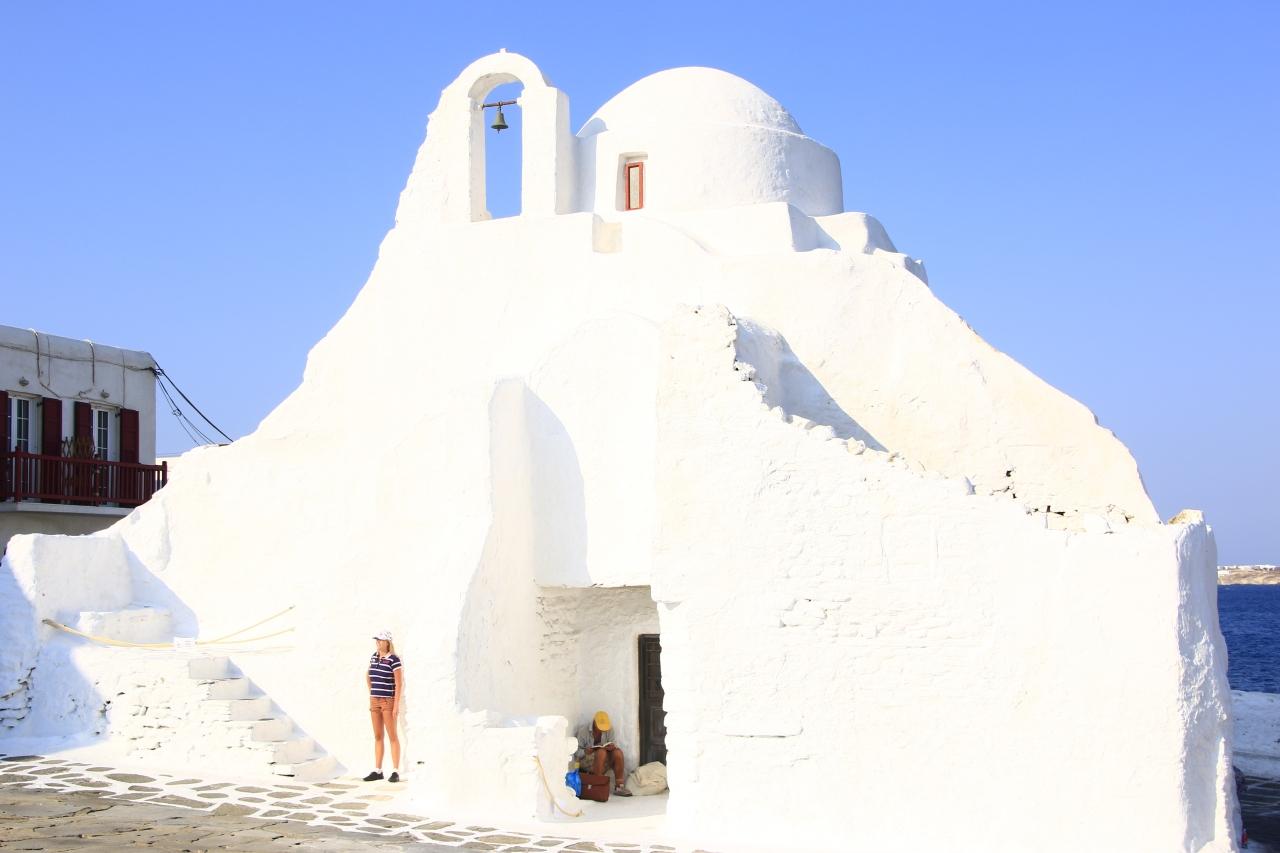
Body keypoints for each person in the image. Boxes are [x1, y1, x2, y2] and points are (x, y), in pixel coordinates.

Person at [364, 630, 403, 782]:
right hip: (375, 700)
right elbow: (368, 676)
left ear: (387, 642)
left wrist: (396, 705)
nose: (378, 642)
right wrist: (372, 693)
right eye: (377, 640)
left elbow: (399, 683)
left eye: (380, 640)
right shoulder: (374, 657)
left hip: (388, 701)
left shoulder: (394, 659)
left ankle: (395, 771)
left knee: (392, 736)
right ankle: (378, 770)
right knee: (378, 736)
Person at [576, 710, 632, 797]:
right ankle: (598, 785)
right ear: (594, 723)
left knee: (618, 752)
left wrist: (611, 747)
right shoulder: (583, 731)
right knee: (601, 752)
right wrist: (586, 751)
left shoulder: (609, 729)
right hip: (588, 762)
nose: (602, 730)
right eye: (600, 727)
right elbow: (576, 752)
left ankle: (619, 787)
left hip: (604, 761)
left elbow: (612, 744)